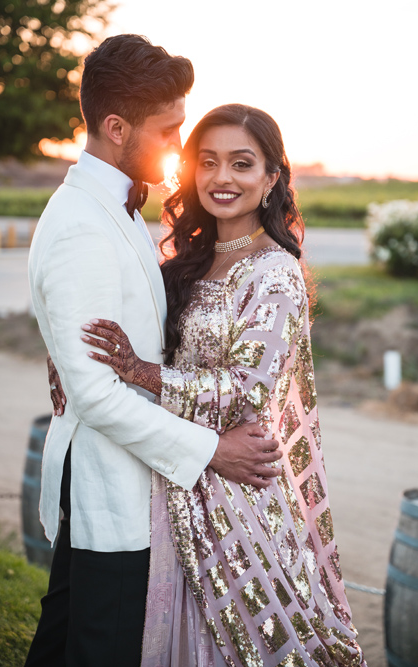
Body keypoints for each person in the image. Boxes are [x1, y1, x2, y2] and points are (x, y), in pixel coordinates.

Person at [72, 104, 367, 665]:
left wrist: (139, 372)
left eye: (241, 163)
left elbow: (247, 391)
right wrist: (71, 359)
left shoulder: (273, 270)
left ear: (271, 178)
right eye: (208, 162)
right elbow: (132, 326)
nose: (222, 178)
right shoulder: (189, 258)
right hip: (179, 474)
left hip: (236, 496)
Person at [26, 37, 283, 667]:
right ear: (116, 127)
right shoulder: (84, 224)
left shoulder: (112, 206)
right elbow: (96, 395)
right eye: (168, 130)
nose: (178, 145)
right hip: (108, 489)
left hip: (131, 483)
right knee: (99, 648)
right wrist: (214, 450)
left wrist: (65, 349)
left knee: (62, 642)